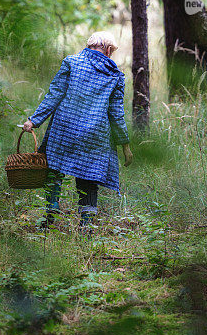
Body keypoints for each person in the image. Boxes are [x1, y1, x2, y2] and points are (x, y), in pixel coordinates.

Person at [22, 31, 133, 232]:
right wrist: (125, 146)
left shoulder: (71, 62)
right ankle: (86, 225)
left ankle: (51, 209)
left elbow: (54, 95)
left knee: (54, 169)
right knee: (88, 177)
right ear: (107, 50)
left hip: (64, 128)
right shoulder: (116, 75)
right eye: (111, 53)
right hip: (95, 134)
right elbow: (116, 114)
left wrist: (34, 120)